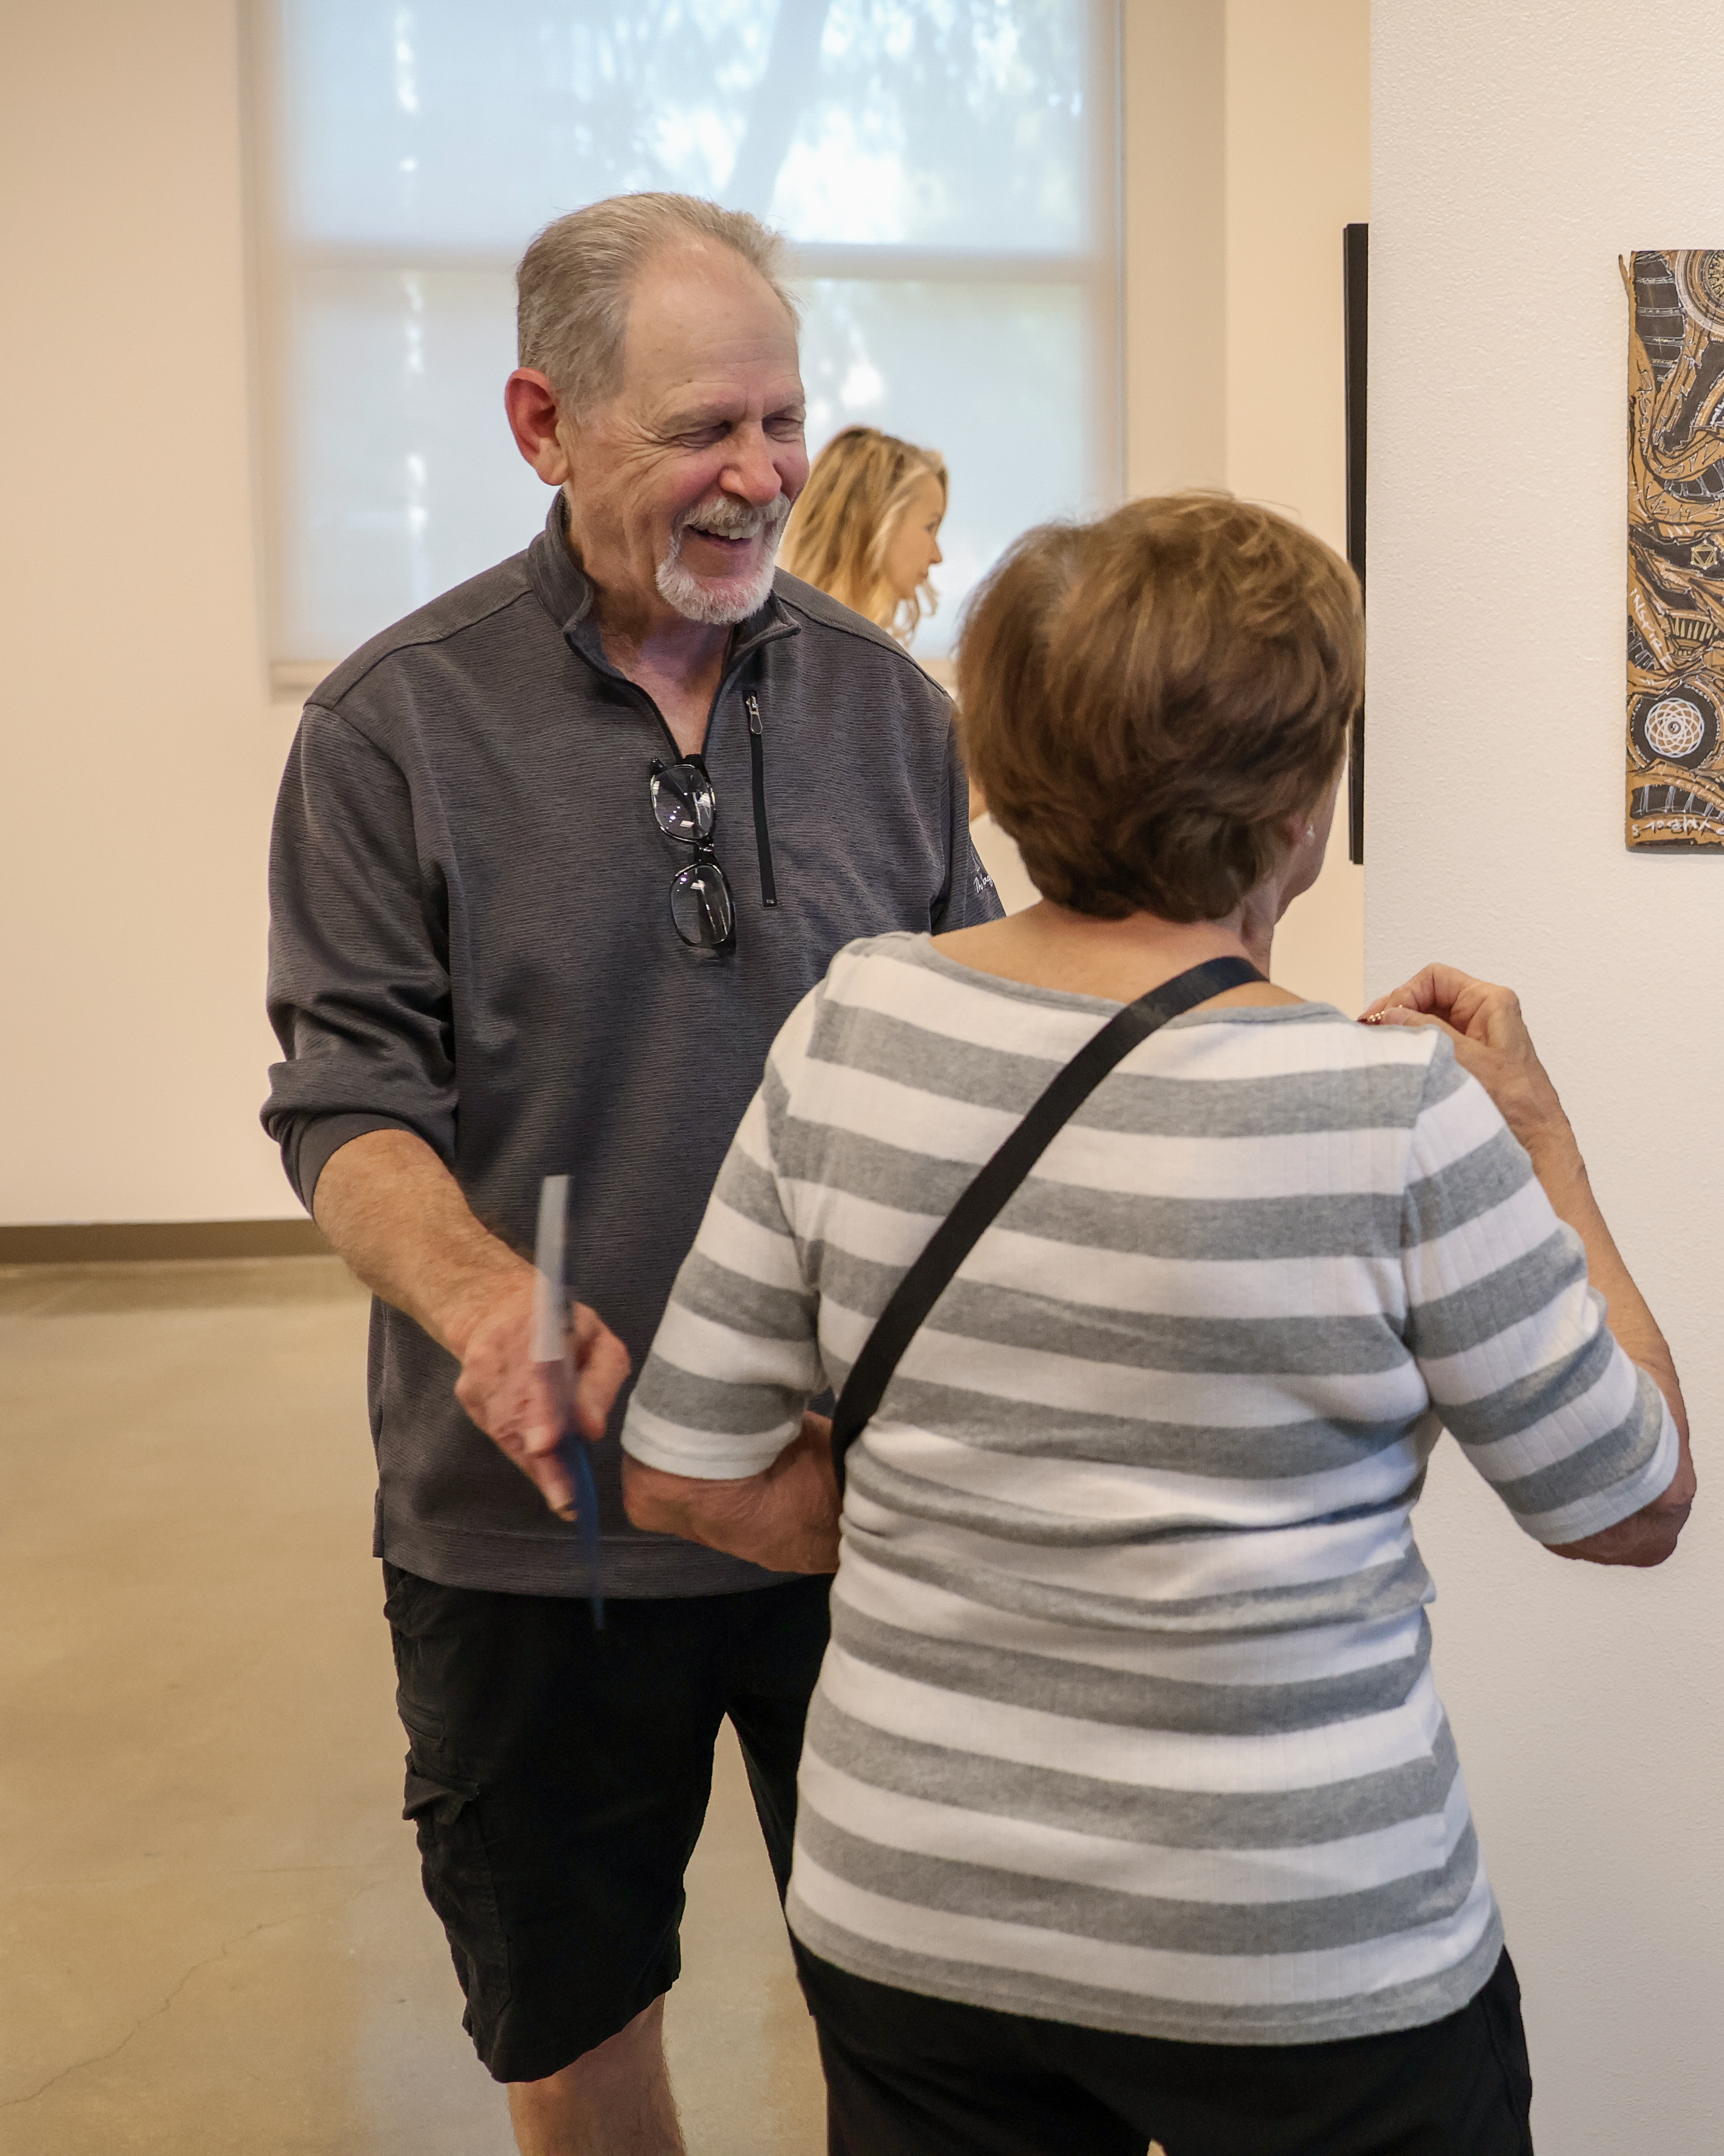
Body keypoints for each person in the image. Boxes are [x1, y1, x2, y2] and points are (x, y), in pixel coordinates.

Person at [618, 491, 1695, 2156]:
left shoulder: (860, 1023)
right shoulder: (1388, 1104)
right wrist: (1543, 1134)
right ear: (1298, 802)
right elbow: (1630, 1498)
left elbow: (686, 1471)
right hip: (1299, 1948)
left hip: (919, 1914)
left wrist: (984, 1521)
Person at [261, 192, 1002, 2155]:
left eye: (782, 415)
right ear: (543, 423)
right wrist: (485, 1298)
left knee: (936, 2037)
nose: (759, 472)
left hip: (852, 1509)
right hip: (533, 1538)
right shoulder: (390, 732)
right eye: (700, 429)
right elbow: (346, 1110)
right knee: (578, 2027)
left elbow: (988, 1051)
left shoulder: (888, 713)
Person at [785, 424, 950, 644]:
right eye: (930, 528)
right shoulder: (856, 662)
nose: (937, 557)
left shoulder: (787, 646)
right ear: (874, 521)